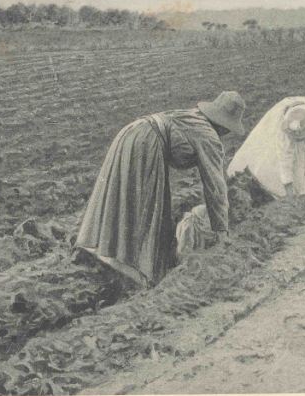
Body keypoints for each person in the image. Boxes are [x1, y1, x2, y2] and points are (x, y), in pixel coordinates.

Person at [74, 91, 246, 287]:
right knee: (148, 207)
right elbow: (215, 186)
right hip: (146, 143)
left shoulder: (192, 116)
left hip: (131, 133)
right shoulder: (209, 137)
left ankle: (104, 249)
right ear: (224, 125)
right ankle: (134, 270)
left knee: (120, 196)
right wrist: (222, 231)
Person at [227, 96, 305, 198]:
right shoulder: (285, 131)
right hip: (282, 116)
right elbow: (285, 159)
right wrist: (289, 192)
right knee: (269, 157)